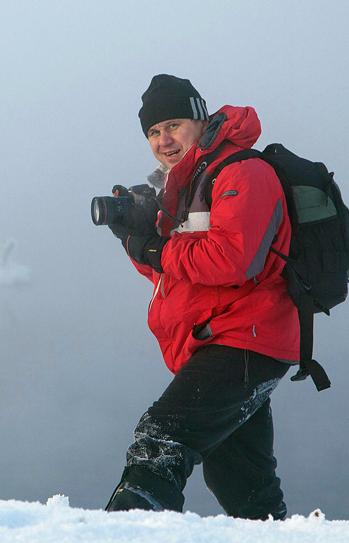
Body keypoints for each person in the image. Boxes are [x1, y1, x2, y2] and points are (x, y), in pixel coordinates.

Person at [103, 74, 299, 520]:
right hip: (222, 338)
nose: (163, 139)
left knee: (161, 437)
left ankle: (127, 530)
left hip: (245, 336)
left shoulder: (242, 171)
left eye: (172, 124)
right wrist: (136, 236)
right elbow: (178, 274)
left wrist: (153, 246)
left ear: (200, 120)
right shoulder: (185, 185)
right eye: (153, 131)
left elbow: (233, 260)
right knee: (241, 479)